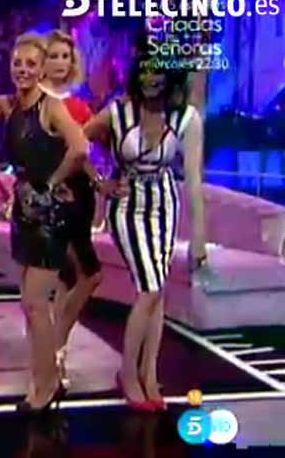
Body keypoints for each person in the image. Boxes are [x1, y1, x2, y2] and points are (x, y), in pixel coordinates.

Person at [0, 33, 89, 413]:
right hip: (24, 212)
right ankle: (42, 378)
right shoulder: (9, 105)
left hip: (50, 215)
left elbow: (80, 147)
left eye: (30, 64)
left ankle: (48, 383)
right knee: (31, 305)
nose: (22, 70)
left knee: (36, 303)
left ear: (42, 69)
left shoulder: (51, 107)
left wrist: (52, 184)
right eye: (17, 63)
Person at [84, 52, 207, 412]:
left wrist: (198, 237)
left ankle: (149, 374)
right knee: (150, 288)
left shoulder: (186, 118)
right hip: (128, 205)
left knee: (157, 291)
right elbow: (76, 142)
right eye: (145, 71)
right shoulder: (118, 112)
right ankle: (127, 373)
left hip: (165, 205)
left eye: (158, 72)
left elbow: (194, 180)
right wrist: (100, 182)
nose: (151, 78)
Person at [39, 29, 103, 388]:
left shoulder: (79, 106)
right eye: (54, 55)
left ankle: (56, 354)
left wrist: (99, 183)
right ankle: (53, 348)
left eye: (66, 56)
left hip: (81, 195)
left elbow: (83, 153)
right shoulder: (37, 102)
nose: (60, 62)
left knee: (70, 279)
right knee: (87, 275)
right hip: (55, 194)